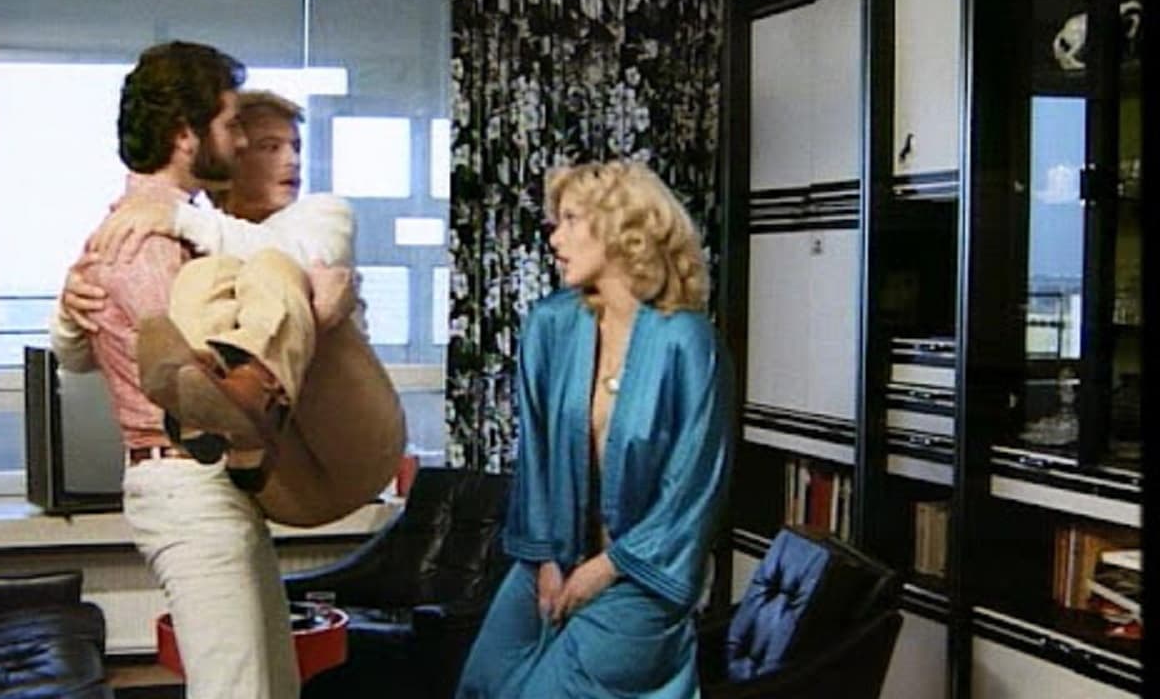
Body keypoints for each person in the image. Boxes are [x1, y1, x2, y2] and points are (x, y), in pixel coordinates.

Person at [47, 41, 300, 699]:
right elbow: (202, 366)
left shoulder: (179, 228)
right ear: (186, 134)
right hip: (187, 483)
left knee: (272, 685)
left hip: (212, 484)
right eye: (230, 124)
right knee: (235, 689)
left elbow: (80, 351)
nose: (240, 141)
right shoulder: (145, 241)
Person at [53, 88, 405, 528]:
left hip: (353, 448)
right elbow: (80, 359)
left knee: (270, 267)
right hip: (275, 472)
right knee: (203, 278)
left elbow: (302, 257)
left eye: (295, 147)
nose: (292, 161)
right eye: (269, 147)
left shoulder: (322, 214)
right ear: (232, 155)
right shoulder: (198, 244)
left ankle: (250, 388)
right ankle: (222, 401)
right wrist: (71, 308)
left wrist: (177, 216)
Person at [455, 160, 733, 698]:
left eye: (569, 220)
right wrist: (545, 561)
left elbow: (692, 490)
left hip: (645, 573)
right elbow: (535, 460)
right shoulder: (551, 325)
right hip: (553, 555)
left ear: (621, 230)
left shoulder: (688, 342)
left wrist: (605, 569)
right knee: (483, 684)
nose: (554, 238)